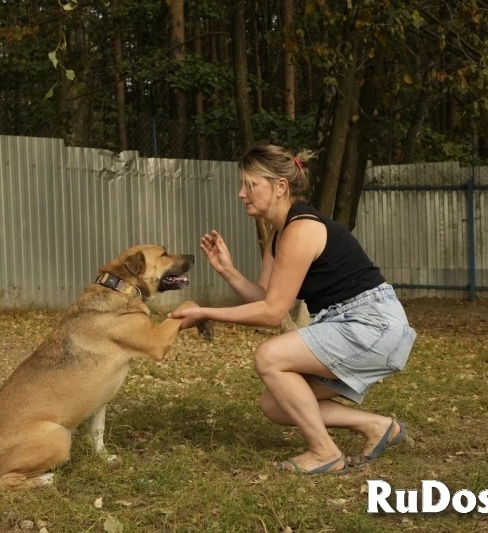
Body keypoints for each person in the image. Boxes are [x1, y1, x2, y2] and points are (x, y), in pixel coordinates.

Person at [169, 141, 417, 475]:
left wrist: (206, 312)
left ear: (280, 186)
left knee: (269, 356)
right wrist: (227, 270)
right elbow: (267, 299)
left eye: (250, 184)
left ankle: (324, 452)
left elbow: (272, 315)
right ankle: (377, 426)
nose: (242, 193)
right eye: (242, 185)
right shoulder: (278, 235)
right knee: (276, 405)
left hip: (372, 325)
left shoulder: (300, 230)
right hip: (349, 324)